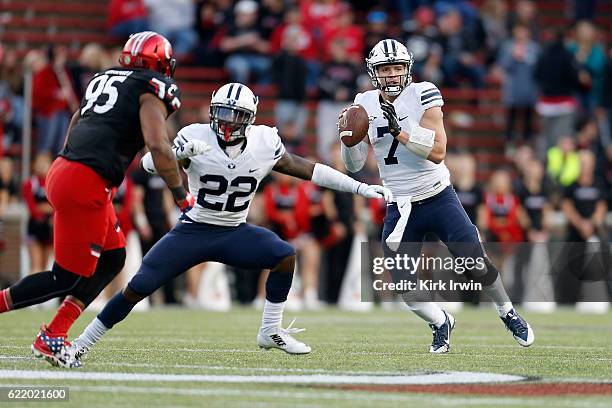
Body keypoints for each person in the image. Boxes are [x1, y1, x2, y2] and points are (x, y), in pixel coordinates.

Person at [58, 82, 392, 368]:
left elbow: (310, 169)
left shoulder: (264, 142)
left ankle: (270, 330)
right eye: (222, 112)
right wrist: (179, 154)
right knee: (137, 287)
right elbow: (147, 165)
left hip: (234, 230)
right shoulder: (194, 136)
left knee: (284, 255)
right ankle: (80, 346)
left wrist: (361, 187)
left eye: (236, 116)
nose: (227, 122)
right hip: (194, 229)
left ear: (250, 119)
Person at [0, 32, 191, 366]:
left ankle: (54, 333)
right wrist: (181, 195)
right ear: (160, 63)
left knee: (113, 257)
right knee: (66, 276)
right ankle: (44, 335)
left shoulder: (104, 77)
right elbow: (157, 144)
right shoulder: (154, 87)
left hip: (70, 168)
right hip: (85, 178)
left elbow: (77, 119)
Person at [340, 39, 535, 353]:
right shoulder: (363, 102)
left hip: (437, 196)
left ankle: (507, 311)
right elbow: (355, 164)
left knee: (474, 260)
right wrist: (347, 141)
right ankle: (440, 321)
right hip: (400, 203)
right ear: (373, 72)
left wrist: (400, 132)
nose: (391, 75)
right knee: (402, 284)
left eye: (397, 68)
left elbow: (438, 151)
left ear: (408, 69)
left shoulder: (423, 93)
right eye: (385, 69)